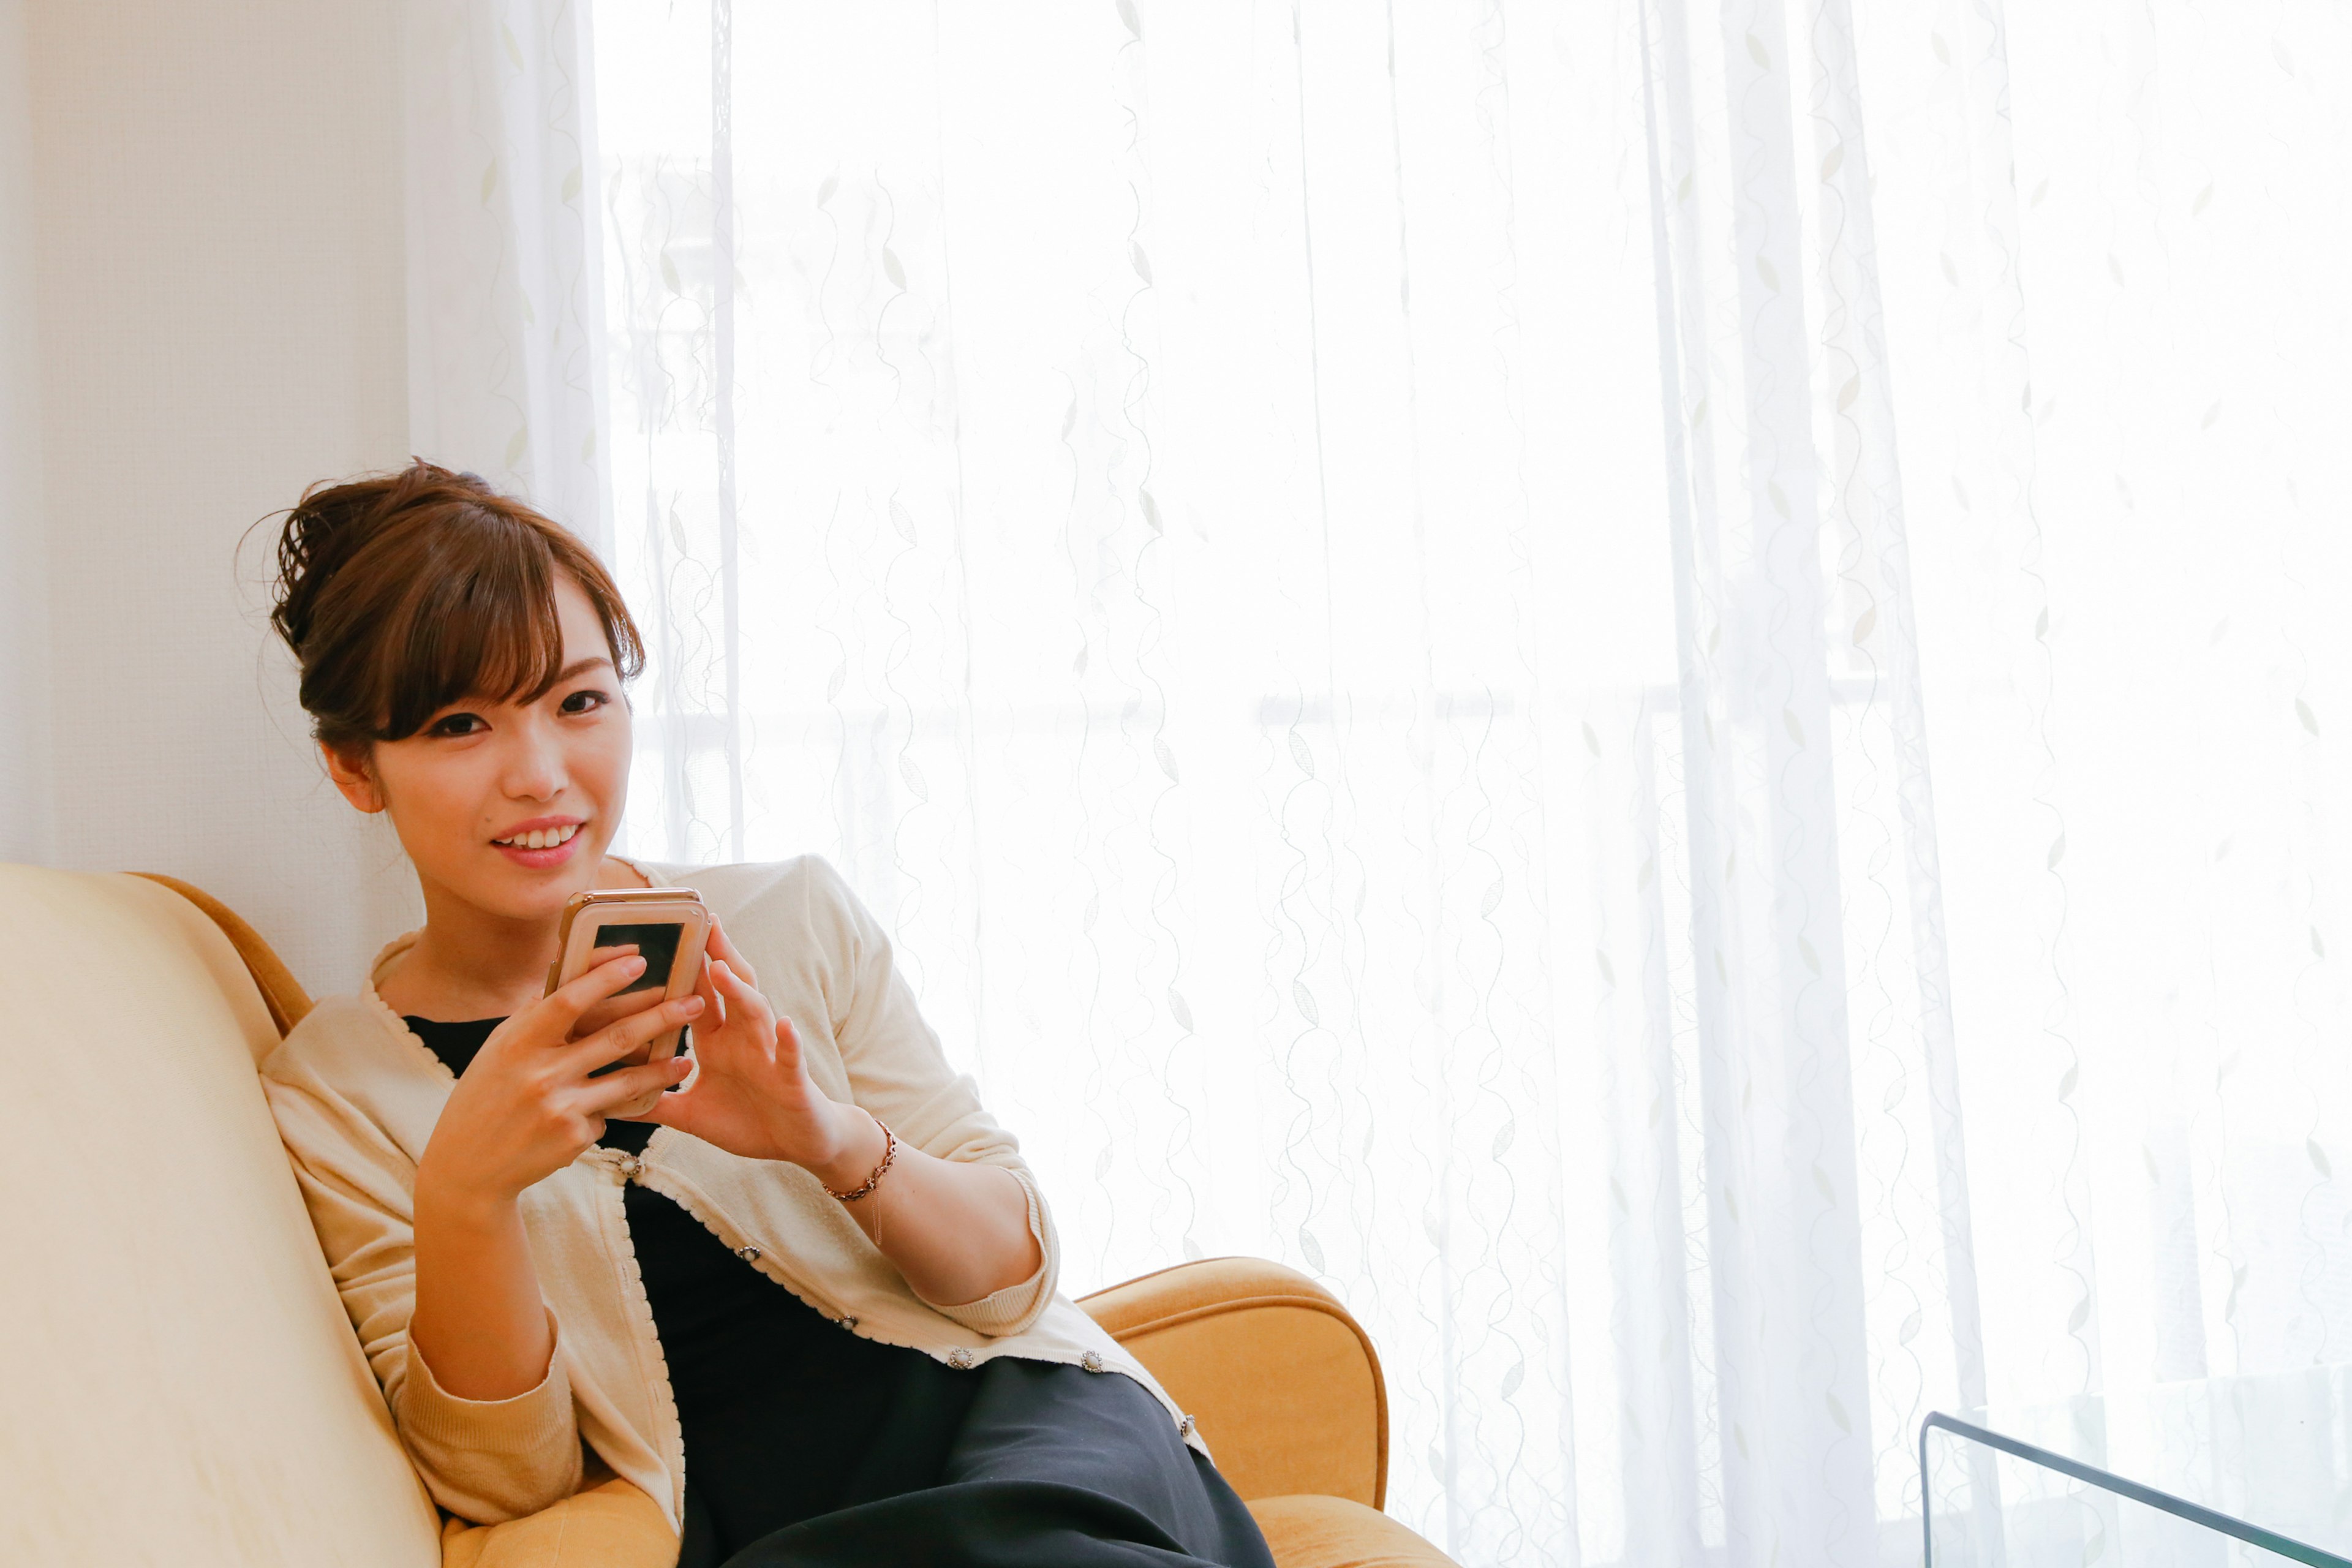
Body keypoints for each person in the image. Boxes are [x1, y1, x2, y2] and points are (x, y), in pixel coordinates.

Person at [255, 460, 1276, 1568]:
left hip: (1025, 1439)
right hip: (778, 1534)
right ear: (358, 769)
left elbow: (1011, 1271)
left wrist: (825, 1138)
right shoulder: (336, 1091)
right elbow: (507, 1478)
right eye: (461, 725)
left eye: (580, 701)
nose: (543, 774)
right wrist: (465, 1191)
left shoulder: (789, 917)